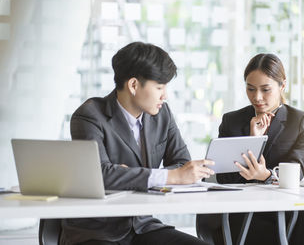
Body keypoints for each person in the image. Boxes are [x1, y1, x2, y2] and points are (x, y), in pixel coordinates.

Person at [60, 42, 214, 245]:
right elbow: (101, 174)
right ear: (133, 85)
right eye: (159, 87)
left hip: (143, 226)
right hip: (97, 231)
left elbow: (181, 163)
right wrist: (171, 176)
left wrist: (128, 174)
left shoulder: (162, 114)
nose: (164, 95)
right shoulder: (90, 115)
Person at [196, 53, 304, 245]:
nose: (257, 97)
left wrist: (265, 175)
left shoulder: (299, 123)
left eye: (266, 90)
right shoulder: (232, 121)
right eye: (250, 89)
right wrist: (251, 140)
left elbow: (295, 173)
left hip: (281, 209)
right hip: (238, 211)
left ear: (282, 86)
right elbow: (223, 177)